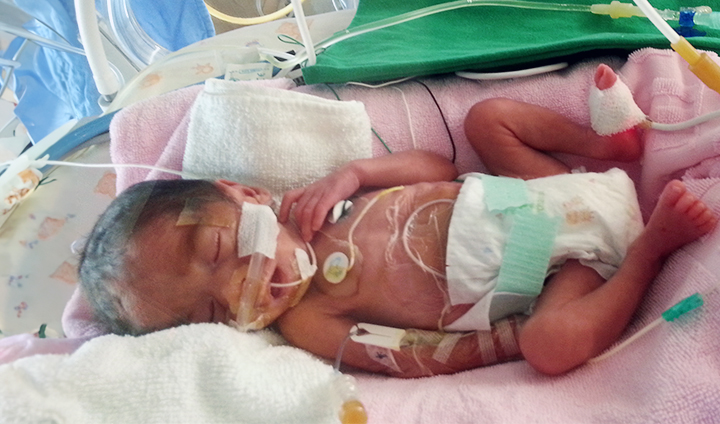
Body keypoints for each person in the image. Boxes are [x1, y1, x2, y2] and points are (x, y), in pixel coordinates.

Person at [78, 66, 718, 378]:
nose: (242, 288)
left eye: (219, 249)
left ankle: (605, 147)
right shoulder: (305, 320)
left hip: (532, 189)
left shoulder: (320, 200)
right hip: (561, 270)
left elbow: (437, 166)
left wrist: (356, 172)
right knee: (550, 346)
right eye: (217, 312)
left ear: (245, 195)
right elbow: (409, 356)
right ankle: (651, 250)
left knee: (487, 121)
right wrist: (503, 340)